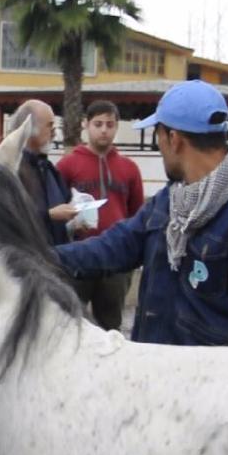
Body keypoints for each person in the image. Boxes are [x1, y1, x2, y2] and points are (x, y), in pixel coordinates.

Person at [57, 80, 228, 346]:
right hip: (156, 371)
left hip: (208, 384)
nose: (158, 146)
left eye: (157, 136)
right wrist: (43, 256)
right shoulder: (171, 200)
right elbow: (118, 244)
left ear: (174, 139)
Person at [57, 100, 145, 330]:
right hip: (78, 255)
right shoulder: (68, 165)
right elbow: (55, 208)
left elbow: (137, 214)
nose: (104, 129)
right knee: (71, 322)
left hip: (116, 260)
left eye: (109, 124)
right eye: (98, 124)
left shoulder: (129, 168)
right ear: (86, 125)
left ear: (117, 127)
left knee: (111, 324)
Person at [8, 99, 76, 245]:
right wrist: (49, 215)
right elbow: (9, 217)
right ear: (29, 129)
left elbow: (65, 202)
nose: (54, 133)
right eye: (49, 125)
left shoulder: (49, 169)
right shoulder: (11, 170)